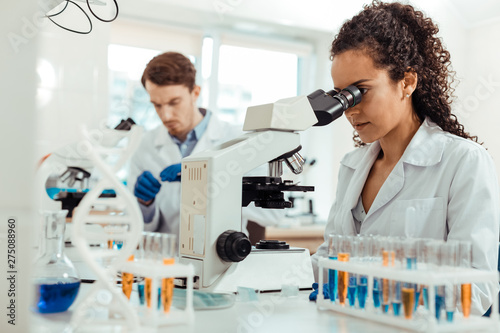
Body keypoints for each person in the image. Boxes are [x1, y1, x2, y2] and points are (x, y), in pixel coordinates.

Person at [311, 1, 499, 316]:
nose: (350, 109)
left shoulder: (463, 161)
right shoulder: (351, 166)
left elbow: (476, 289)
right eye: (341, 95)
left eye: (361, 91)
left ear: (407, 82)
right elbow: (329, 261)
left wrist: (383, 297)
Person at [128, 51, 281, 237]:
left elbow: (272, 214)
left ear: (195, 93)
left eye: (174, 102)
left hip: (224, 262)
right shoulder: (144, 146)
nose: (165, 115)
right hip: (167, 261)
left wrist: (206, 182)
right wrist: (145, 205)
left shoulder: (239, 141)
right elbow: (138, 228)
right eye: (157, 105)